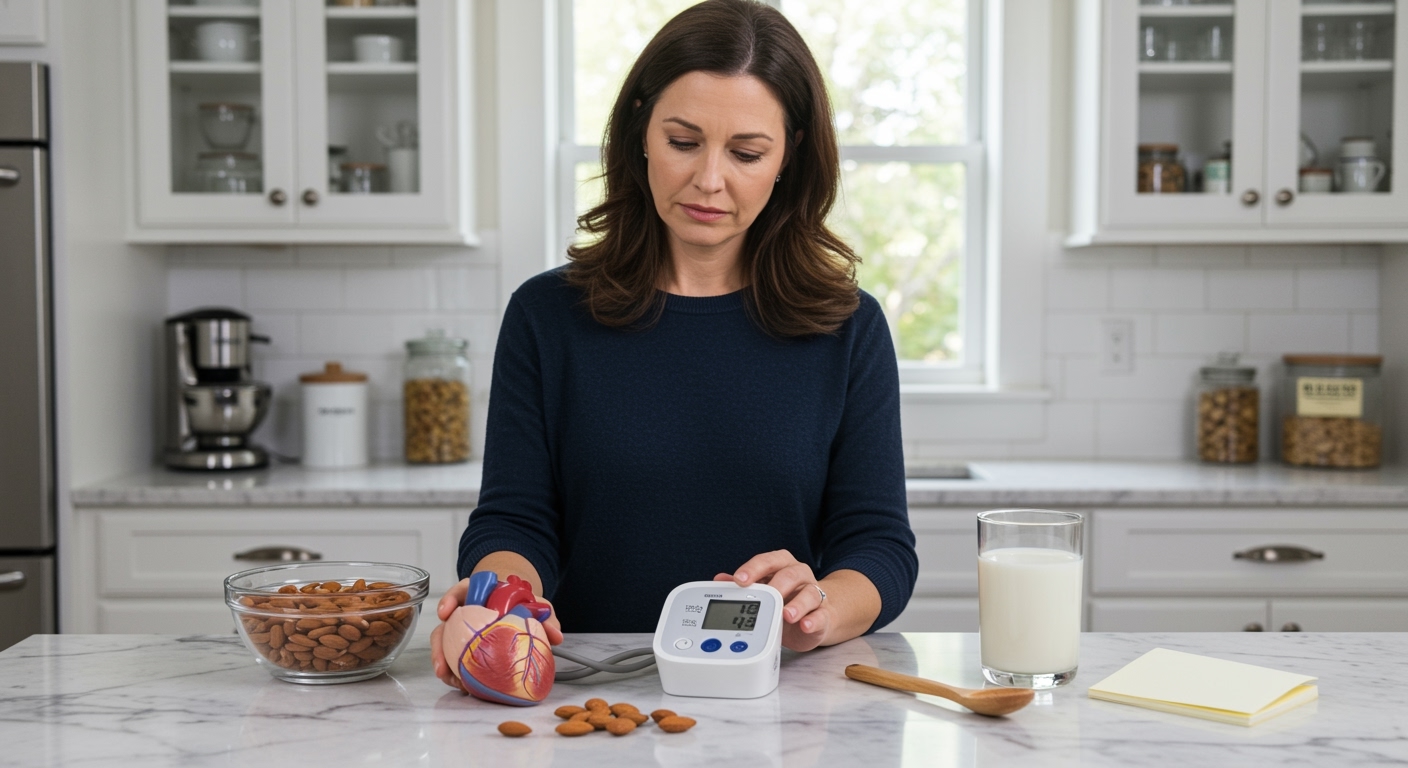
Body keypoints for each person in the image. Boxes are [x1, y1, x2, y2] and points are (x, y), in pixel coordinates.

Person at [431, 0, 915, 691]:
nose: (709, 180)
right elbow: (516, 518)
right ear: (640, 136)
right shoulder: (547, 316)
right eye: (684, 142)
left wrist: (820, 607)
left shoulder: (848, 326)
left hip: (780, 689)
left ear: (789, 157)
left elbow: (879, 547)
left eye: (746, 153)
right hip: (591, 690)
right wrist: (499, 602)